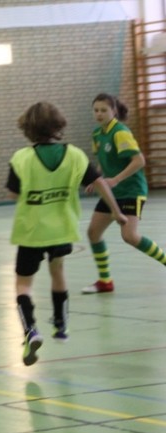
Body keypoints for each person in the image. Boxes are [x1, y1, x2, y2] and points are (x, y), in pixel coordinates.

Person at [7, 102, 127, 366]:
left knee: (23, 285)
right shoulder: (75, 155)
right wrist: (116, 211)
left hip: (31, 232)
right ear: (58, 125)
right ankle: (61, 325)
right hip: (62, 230)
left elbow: (13, 194)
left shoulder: (21, 159)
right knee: (57, 271)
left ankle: (30, 330)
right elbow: (99, 183)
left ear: (28, 128)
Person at [82, 93, 166, 294]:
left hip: (131, 190)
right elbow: (103, 161)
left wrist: (116, 179)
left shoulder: (120, 132)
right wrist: (97, 179)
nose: (99, 114)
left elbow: (139, 161)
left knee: (129, 236)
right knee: (93, 233)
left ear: (114, 111)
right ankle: (105, 281)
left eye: (104, 110)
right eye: (96, 110)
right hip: (112, 192)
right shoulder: (97, 134)